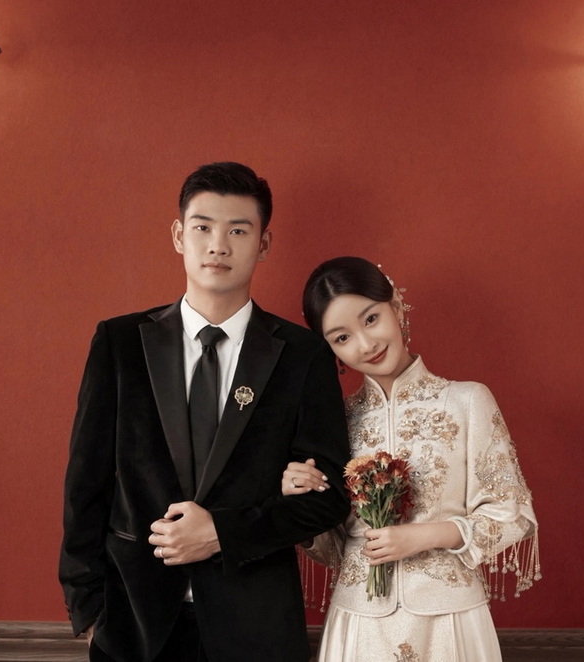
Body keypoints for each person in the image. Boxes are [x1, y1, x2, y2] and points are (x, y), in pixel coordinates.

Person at [59, 162, 351, 662]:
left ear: (263, 243)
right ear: (179, 235)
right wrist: (87, 609)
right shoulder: (120, 342)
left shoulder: (303, 356)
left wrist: (222, 534)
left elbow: (328, 500)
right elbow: (86, 482)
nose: (218, 245)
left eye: (238, 230)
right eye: (203, 227)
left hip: (257, 626)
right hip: (134, 625)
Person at [282, 256, 540, 662]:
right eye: (342, 337)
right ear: (329, 349)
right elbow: (334, 548)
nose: (365, 344)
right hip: (360, 621)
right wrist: (298, 504)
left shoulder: (467, 401)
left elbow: (512, 515)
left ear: (397, 307)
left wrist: (426, 536)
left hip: (449, 618)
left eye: (371, 319)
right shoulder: (335, 422)